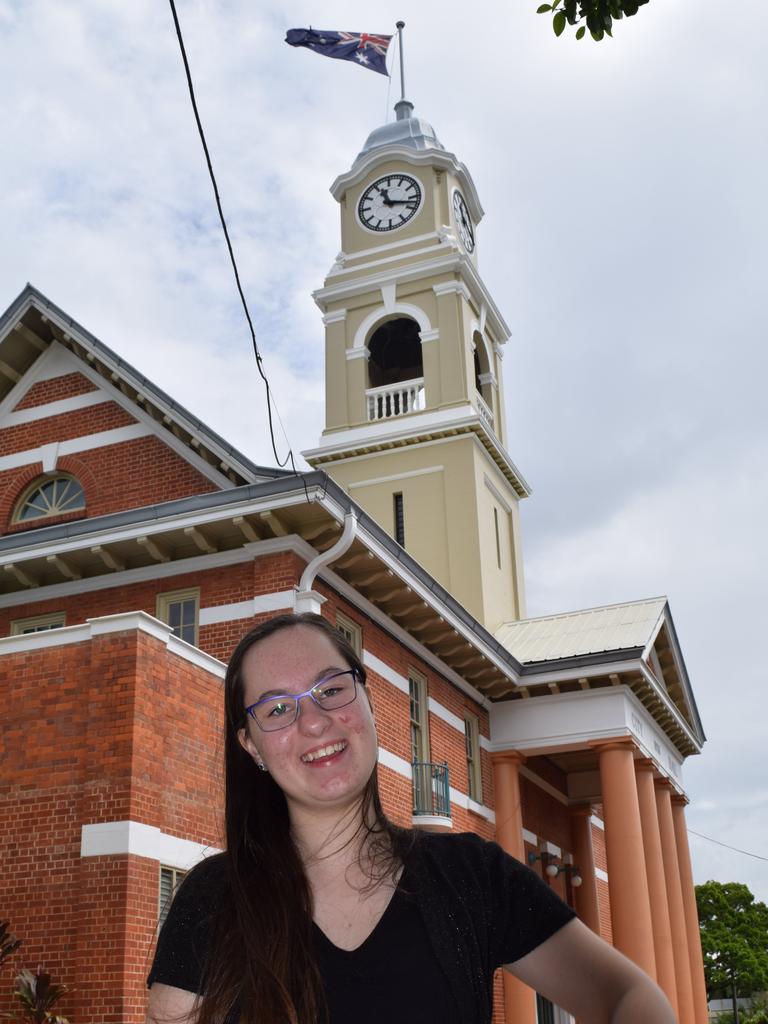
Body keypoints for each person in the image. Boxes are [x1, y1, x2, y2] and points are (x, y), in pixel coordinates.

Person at [146, 612, 676, 1024]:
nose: (313, 721)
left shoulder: (471, 877)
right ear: (251, 745)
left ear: (367, 701)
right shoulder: (212, 901)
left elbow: (626, 995)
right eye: (277, 709)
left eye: (331, 689)